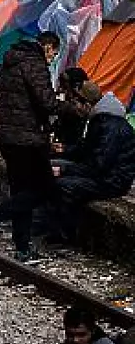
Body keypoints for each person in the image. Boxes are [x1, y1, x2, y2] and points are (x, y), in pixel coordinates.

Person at [0, 31, 60, 262]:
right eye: (54, 53)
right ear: (47, 47)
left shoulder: (10, 59)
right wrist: (63, 107)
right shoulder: (35, 64)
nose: (52, 59)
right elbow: (47, 102)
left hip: (7, 137)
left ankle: (22, 247)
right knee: (45, 189)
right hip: (29, 140)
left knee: (21, 190)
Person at [50, 86, 135, 241]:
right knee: (52, 166)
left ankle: (65, 235)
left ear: (87, 104)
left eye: (76, 103)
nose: (75, 108)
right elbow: (86, 149)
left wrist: (64, 169)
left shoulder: (110, 127)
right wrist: (64, 149)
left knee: (64, 185)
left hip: (113, 180)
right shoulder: (101, 120)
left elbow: (98, 165)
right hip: (104, 174)